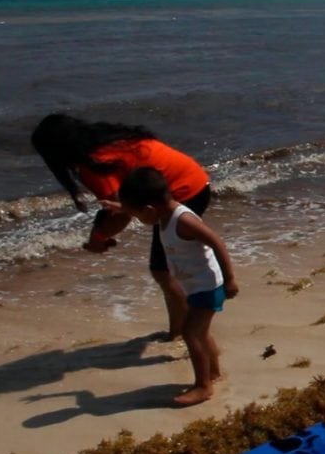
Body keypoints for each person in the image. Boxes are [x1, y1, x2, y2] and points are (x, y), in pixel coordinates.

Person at [31, 113, 211, 340]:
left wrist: (98, 240)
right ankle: (184, 327)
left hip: (183, 192)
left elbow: (120, 213)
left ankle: (185, 331)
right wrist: (100, 234)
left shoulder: (94, 164)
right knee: (166, 265)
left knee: (162, 270)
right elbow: (122, 207)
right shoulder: (108, 139)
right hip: (194, 179)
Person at [118, 167, 238, 405]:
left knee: (191, 333)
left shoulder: (183, 221)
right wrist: (120, 207)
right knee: (201, 332)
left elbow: (216, 242)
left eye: (137, 216)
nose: (139, 220)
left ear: (149, 209)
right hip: (195, 286)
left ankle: (203, 386)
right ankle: (214, 373)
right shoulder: (163, 216)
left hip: (207, 286)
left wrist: (230, 279)